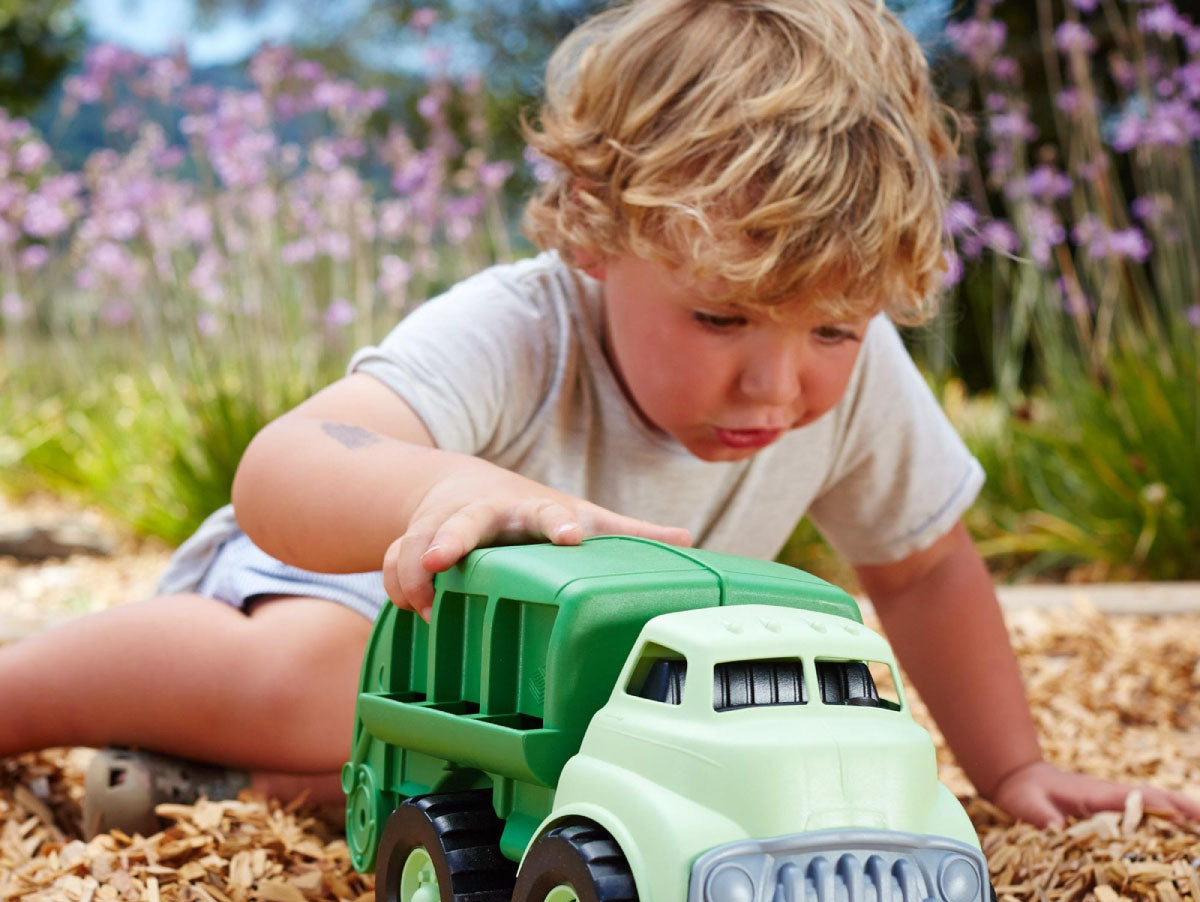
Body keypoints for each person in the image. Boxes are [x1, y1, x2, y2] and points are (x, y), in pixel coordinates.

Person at [1, 0, 1194, 835]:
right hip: (352, 596)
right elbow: (290, 463)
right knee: (338, 678)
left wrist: (1013, 766)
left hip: (541, 700)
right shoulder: (527, 328)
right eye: (721, 320)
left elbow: (925, 569)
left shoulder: (860, 374)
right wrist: (442, 491)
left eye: (833, 330)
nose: (779, 388)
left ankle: (223, 785)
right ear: (597, 235)